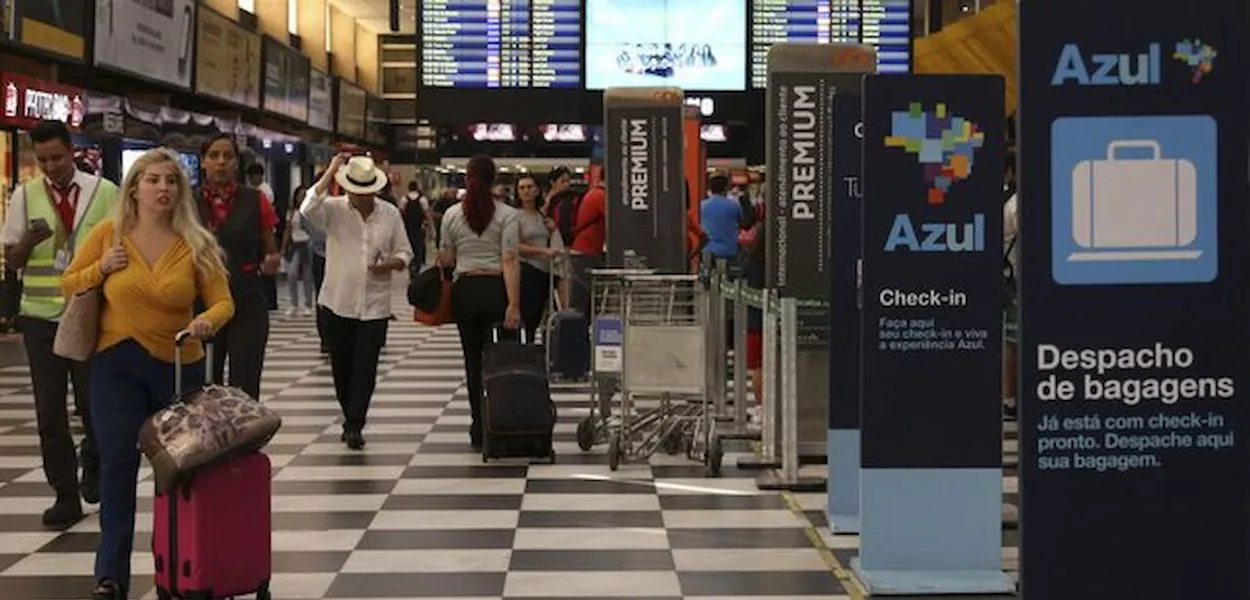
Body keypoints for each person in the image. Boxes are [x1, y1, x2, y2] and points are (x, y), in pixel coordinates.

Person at [61, 147, 234, 600]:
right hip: (116, 363)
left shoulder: (196, 242)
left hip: (179, 367)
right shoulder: (108, 235)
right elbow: (69, 283)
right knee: (118, 466)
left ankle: (177, 570)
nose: (163, 188)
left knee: (178, 473)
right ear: (134, 188)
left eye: (171, 181)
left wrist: (205, 322)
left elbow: (223, 301)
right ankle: (110, 576)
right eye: (153, 180)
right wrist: (101, 268)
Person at [0, 120, 118, 528]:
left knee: (92, 405)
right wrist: (30, 242)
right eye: (43, 159)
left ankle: (95, 461)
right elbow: (11, 263)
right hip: (40, 318)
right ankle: (64, 494)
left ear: (73, 151)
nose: (50, 166)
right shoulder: (25, 195)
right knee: (49, 412)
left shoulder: (104, 193)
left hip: (90, 313)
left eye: (57, 157)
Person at [301, 154, 413, 449]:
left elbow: (405, 253)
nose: (361, 196)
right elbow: (307, 206)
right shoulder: (333, 210)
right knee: (342, 367)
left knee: (366, 367)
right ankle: (348, 412)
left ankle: (355, 423)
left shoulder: (389, 214)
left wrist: (389, 265)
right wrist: (331, 170)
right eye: (355, 190)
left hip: (375, 306)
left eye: (367, 191)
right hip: (337, 302)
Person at [438, 155, 522, 448]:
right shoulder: (508, 215)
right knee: (498, 360)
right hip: (496, 289)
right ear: (493, 180)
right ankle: (499, 420)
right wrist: (514, 304)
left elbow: (446, 259)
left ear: (467, 178)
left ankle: (477, 426)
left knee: (472, 361)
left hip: (466, 292)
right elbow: (510, 259)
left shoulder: (450, 215)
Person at [197, 134, 281, 400]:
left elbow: (271, 247)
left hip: (246, 299)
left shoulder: (255, 200)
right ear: (203, 162)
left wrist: (271, 262)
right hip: (201, 302)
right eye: (213, 156)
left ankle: (244, 441)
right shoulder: (187, 202)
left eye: (227, 156)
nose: (220, 162)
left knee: (244, 383)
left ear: (236, 162)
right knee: (202, 384)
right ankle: (208, 440)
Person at [514, 174, 568, 339]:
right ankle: (525, 349)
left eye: (530, 187)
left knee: (540, 317)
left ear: (537, 190)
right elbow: (513, 246)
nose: (526, 191)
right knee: (528, 317)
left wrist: (552, 229)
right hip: (526, 271)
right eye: (522, 188)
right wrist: (542, 252)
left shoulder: (542, 216)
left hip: (545, 272)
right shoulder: (514, 217)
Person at [281, 184, 315, 318]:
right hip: (295, 244)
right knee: (292, 273)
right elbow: (287, 230)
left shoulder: (311, 211)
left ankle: (308, 305)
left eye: (305, 195)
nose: (302, 198)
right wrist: (283, 248)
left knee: (307, 276)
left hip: (308, 245)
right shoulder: (291, 212)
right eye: (300, 195)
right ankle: (293, 304)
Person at [700, 173, 743, 262]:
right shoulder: (734, 205)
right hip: (730, 250)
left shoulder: (702, 206)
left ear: (710, 189)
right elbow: (741, 222)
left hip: (708, 250)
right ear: (726, 188)